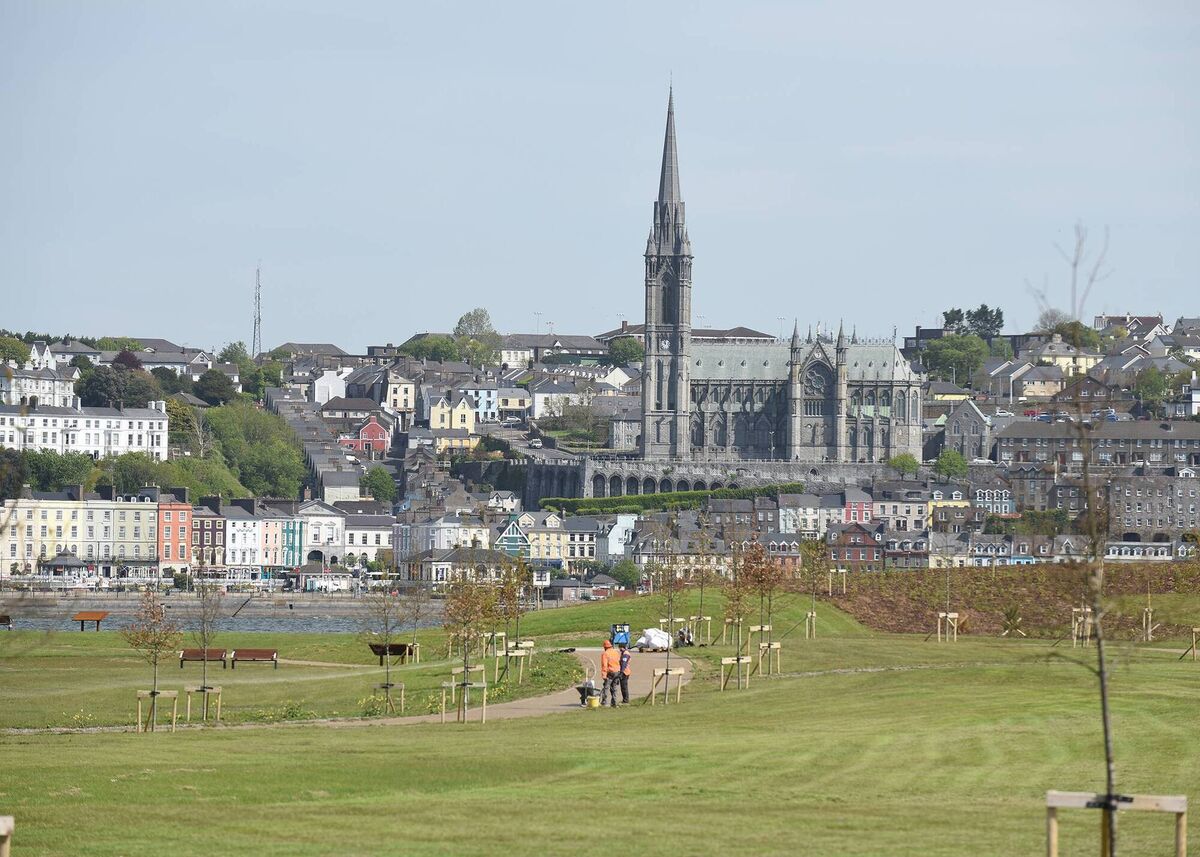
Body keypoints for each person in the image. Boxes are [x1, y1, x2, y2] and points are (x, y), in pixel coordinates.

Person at [599, 639, 620, 708]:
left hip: (610, 673)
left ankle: (604, 702)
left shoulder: (605, 654)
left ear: (605, 647)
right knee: (614, 688)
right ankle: (614, 702)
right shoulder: (616, 652)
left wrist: (604, 675)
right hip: (617, 672)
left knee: (606, 687)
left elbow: (604, 665)